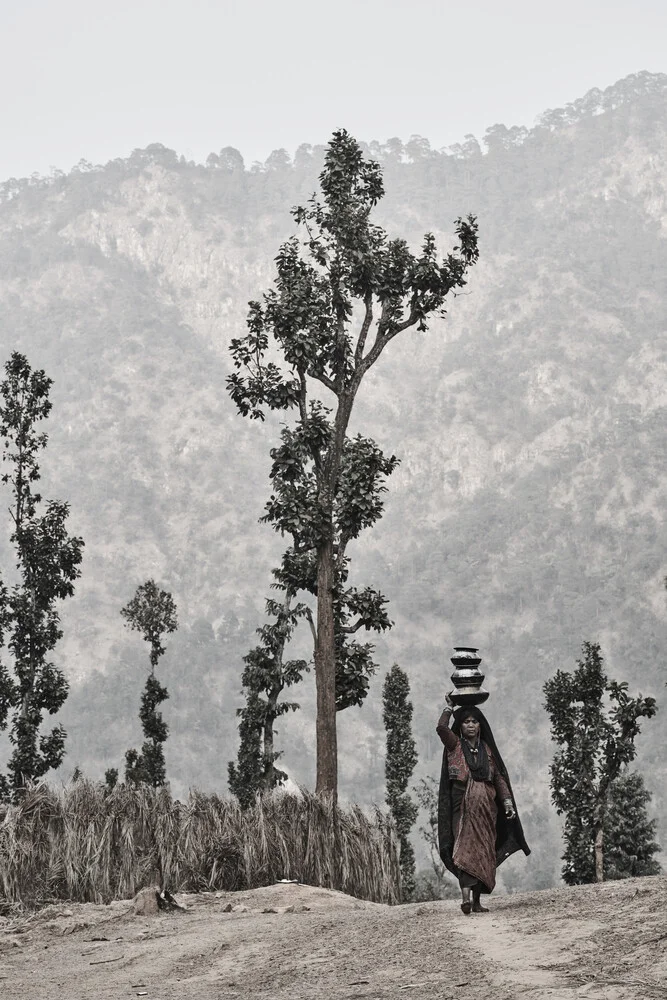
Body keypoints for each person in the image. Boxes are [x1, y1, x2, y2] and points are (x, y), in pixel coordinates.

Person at [436, 694, 530, 913]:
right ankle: (465, 898)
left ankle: (477, 901)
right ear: (461, 725)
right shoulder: (454, 745)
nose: (470, 725)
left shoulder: (487, 750)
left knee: (484, 849)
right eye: (467, 721)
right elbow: (441, 728)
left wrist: (507, 802)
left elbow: (497, 777)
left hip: (487, 808)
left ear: (480, 726)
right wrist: (448, 708)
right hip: (463, 807)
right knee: (465, 847)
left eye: (474, 721)